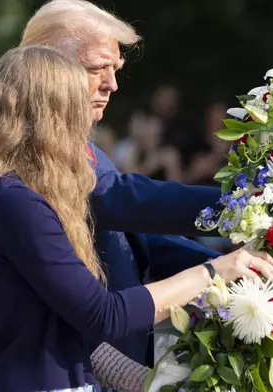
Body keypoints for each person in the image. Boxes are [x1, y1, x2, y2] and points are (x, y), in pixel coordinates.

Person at [0, 45, 273, 392]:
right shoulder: (13, 202)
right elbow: (103, 314)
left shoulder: (12, 195)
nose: (85, 126)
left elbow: (60, 322)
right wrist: (214, 272)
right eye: (75, 109)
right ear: (49, 117)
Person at [19, 0, 226, 367]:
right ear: (48, 66)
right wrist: (242, 203)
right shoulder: (28, 145)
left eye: (115, 69)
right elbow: (121, 199)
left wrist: (233, 268)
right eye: (98, 67)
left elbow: (138, 243)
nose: (112, 84)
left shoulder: (78, 143)